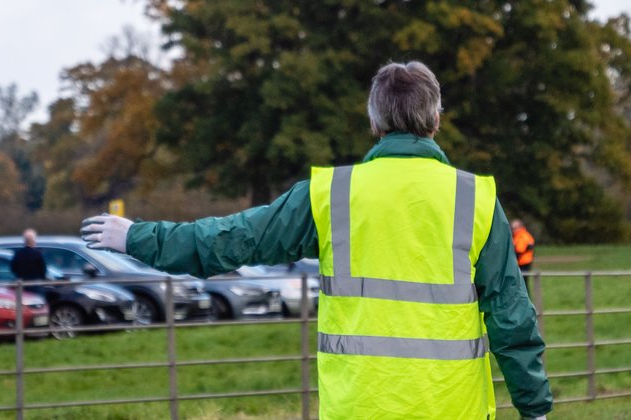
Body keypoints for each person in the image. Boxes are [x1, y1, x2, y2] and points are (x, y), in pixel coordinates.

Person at [81, 61, 551, 419]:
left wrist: (140, 237)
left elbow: (233, 239)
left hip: (358, 406)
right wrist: (535, 407)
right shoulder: (477, 200)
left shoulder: (332, 195)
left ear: (374, 122)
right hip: (453, 408)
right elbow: (511, 316)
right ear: (436, 119)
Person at [512, 219, 536, 290]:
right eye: (512, 228)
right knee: (523, 284)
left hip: (523, 264)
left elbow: (519, 251)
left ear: (520, 227)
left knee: (522, 285)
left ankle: (525, 300)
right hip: (524, 263)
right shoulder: (520, 236)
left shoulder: (522, 237)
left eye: (515, 228)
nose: (513, 230)